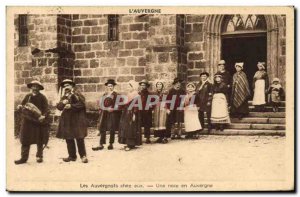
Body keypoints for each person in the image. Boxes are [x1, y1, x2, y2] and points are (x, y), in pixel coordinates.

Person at [15, 80, 49, 164]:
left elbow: (47, 109)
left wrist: (43, 116)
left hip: (38, 121)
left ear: (39, 88)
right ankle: (24, 158)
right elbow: (23, 106)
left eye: (36, 87)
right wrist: (19, 106)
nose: (34, 88)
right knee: (25, 139)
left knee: (39, 139)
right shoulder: (27, 96)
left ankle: (39, 156)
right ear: (31, 88)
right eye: (33, 86)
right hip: (27, 121)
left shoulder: (42, 97)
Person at [56, 79, 88, 163]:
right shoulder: (64, 96)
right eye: (64, 86)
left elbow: (82, 104)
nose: (66, 87)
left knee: (79, 137)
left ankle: (83, 156)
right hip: (67, 120)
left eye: (68, 85)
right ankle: (72, 156)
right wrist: (63, 103)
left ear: (72, 86)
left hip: (77, 120)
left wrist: (71, 106)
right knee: (68, 138)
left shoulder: (77, 94)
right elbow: (59, 107)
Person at [92, 79, 121, 151]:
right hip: (104, 113)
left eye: (111, 86)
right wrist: (101, 109)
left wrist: (113, 109)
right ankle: (101, 144)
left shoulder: (116, 95)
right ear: (107, 87)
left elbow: (119, 105)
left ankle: (111, 143)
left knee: (112, 128)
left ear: (113, 86)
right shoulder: (105, 94)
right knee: (102, 127)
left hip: (112, 113)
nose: (110, 87)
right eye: (108, 86)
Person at [118, 80, 142, 151]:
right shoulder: (128, 94)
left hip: (132, 113)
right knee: (126, 127)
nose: (128, 88)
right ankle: (128, 143)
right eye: (128, 86)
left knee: (131, 128)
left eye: (129, 86)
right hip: (126, 113)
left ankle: (130, 144)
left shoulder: (136, 95)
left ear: (133, 87)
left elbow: (137, 105)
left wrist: (134, 114)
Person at [139, 79, 154, 144]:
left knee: (147, 125)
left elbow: (154, 102)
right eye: (141, 85)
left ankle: (147, 138)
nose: (142, 86)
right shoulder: (139, 94)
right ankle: (139, 138)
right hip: (140, 111)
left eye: (144, 85)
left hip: (147, 112)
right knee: (139, 125)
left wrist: (151, 105)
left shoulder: (150, 94)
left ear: (146, 86)